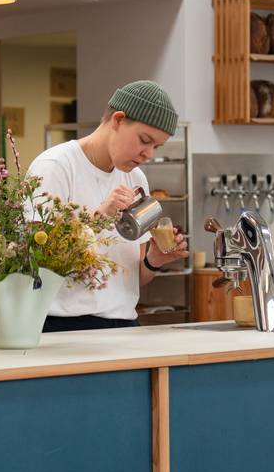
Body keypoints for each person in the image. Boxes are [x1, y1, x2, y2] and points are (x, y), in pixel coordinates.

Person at [28, 80, 189, 331]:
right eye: (144, 140)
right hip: (63, 327)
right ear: (118, 120)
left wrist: (154, 260)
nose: (149, 154)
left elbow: (135, 279)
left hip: (124, 323)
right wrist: (99, 216)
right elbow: (38, 261)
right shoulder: (55, 167)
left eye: (156, 147)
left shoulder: (135, 179)